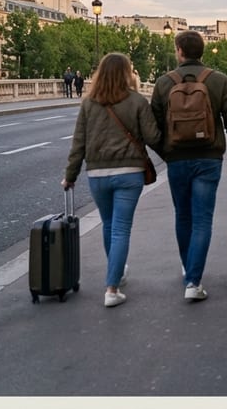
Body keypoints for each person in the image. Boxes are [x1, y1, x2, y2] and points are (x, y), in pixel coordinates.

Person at [61, 53, 162, 308]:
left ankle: (116, 272)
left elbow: (78, 144)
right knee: (120, 228)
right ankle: (112, 287)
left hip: (97, 174)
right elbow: (153, 137)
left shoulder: (88, 103)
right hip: (129, 173)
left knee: (109, 225)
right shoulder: (137, 101)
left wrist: (70, 176)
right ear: (127, 73)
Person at [151, 30, 227, 302]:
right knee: (202, 219)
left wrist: (165, 151)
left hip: (177, 158)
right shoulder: (218, 80)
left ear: (179, 51)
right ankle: (193, 281)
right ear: (202, 51)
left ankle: (188, 267)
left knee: (183, 215)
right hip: (208, 158)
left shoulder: (164, 83)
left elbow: (153, 125)